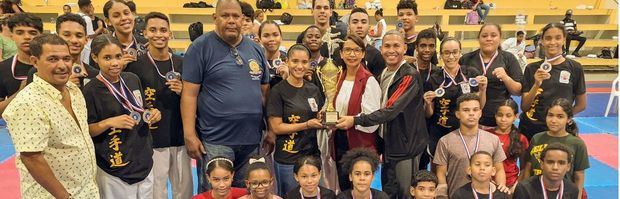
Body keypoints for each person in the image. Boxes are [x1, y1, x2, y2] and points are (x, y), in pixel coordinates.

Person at [181, 0, 270, 192]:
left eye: (236, 16)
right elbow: (189, 94)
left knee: (248, 193)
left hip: (251, 140)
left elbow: (264, 93)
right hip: (216, 140)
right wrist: (189, 134)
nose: (231, 21)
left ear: (243, 19)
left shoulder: (255, 49)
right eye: (225, 15)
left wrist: (269, 129)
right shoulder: (200, 47)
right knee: (217, 193)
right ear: (215, 18)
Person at [2, 33, 99, 198]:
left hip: (85, 188)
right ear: (35, 61)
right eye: (53, 59)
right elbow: (31, 157)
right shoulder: (28, 103)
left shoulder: (74, 90)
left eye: (66, 59)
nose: (62, 65)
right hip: (54, 195)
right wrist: (64, 196)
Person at [336, 30, 429, 199]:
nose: (391, 50)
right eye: (387, 46)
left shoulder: (408, 75)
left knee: (405, 192)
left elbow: (390, 111)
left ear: (405, 48)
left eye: (396, 46)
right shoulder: (384, 74)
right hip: (389, 143)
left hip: (406, 146)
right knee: (390, 190)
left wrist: (355, 120)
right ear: (381, 49)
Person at [84, 34, 161, 199]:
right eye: (107, 58)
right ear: (94, 57)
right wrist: (108, 122)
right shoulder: (91, 90)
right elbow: (86, 130)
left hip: (142, 157)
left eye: (118, 56)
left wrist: (153, 113)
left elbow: (142, 107)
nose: (115, 63)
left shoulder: (132, 79)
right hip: (115, 163)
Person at [124, 12, 192, 199]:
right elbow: (128, 99)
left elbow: (194, 97)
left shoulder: (182, 63)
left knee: (184, 190)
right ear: (145, 33)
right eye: (153, 30)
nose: (158, 34)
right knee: (156, 190)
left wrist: (183, 91)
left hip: (180, 135)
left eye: (163, 30)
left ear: (170, 33)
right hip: (152, 137)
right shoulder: (135, 65)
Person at [267, 44, 324, 196]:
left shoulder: (313, 89)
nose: (299, 66)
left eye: (304, 62)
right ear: (287, 61)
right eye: (295, 61)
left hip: (311, 153)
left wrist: (323, 119)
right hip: (288, 156)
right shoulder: (278, 91)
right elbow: (276, 127)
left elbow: (317, 114)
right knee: (290, 195)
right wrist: (307, 124)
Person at [423, 37, 487, 172]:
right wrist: (427, 103)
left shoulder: (471, 74)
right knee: (438, 172)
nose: (451, 56)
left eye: (454, 52)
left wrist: (482, 89)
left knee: (465, 170)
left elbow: (479, 106)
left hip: (466, 132)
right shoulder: (434, 78)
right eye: (446, 53)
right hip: (439, 132)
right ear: (441, 55)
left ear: (460, 53)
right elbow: (428, 114)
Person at [519, 22, 586, 139]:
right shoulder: (531, 68)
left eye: (558, 38)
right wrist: (536, 84)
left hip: (559, 132)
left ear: (564, 39)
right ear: (542, 41)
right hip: (531, 129)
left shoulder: (575, 68)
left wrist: (561, 119)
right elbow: (524, 107)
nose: (553, 42)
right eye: (548, 38)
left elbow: (581, 105)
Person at [433, 93, 508, 198]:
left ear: (480, 113)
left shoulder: (493, 139)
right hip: (456, 196)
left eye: (475, 110)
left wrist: (501, 187)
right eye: (466, 110)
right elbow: (441, 174)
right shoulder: (445, 141)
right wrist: (443, 195)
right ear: (458, 114)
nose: (471, 114)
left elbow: (499, 169)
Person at [333, 34, 381, 191]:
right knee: (344, 186)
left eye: (356, 50)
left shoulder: (369, 80)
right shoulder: (338, 76)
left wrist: (352, 120)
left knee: (360, 188)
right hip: (339, 139)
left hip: (360, 142)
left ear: (363, 54)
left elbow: (373, 119)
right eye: (347, 50)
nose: (351, 54)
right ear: (341, 53)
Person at [521, 98, 589, 198]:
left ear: (569, 119)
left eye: (560, 117)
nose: (553, 120)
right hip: (537, 191)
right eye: (550, 115)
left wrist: (577, 197)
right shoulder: (537, 138)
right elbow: (528, 167)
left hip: (562, 193)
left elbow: (579, 176)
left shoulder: (577, 144)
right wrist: (524, 191)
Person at [459, 23, 523, 127]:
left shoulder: (509, 58)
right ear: (478, 39)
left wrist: (506, 78)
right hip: (471, 118)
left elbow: (518, 91)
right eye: (484, 36)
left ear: (500, 38)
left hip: (500, 120)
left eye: (493, 35)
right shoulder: (466, 59)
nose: (489, 39)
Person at [27, 13, 99, 88]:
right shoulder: (39, 70)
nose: (74, 40)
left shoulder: (94, 74)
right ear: (57, 37)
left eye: (79, 36)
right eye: (67, 35)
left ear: (86, 39)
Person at [0, 13, 42, 116]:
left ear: (41, 35)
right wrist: (20, 93)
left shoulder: (53, 65)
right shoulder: (3, 68)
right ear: (11, 36)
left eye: (32, 33)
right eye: (20, 32)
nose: (27, 37)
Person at [332, 8, 385, 78]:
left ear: (369, 27)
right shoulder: (338, 52)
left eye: (363, 22)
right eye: (355, 22)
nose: (359, 26)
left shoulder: (377, 56)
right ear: (348, 26)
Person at [514, 143, 580, 199]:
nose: (555, 167)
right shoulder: (524, 189)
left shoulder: (572, 190)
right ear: (542, 164)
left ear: (568, 167)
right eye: (550, 162)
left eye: (561, 163)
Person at [491, 99, 529, 190]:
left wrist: (516, 186)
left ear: (515, 117)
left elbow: (524, 167)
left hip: (511, 185)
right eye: (500, 115)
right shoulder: (486, 135)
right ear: (495, 115)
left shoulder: (521, 138)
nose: (503, 119)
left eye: (508, 116)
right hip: (490, 184)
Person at [259, 21, 289, 87]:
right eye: (266, 36)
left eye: (275, 35)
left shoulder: (289, 61)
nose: (271, 39)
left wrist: (288, 79)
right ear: (260, 39)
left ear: (281, 37)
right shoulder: (256, 61)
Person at [397, 0, 419, 64]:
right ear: (397, 18)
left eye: (409, 14)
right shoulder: (392, 42)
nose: (404, 17)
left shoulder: (422, 41)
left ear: (416, 18)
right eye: (401, 15)